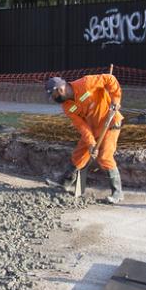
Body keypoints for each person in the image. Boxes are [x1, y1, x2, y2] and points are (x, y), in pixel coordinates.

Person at [45, 74, 125, 204]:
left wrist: (115, 100)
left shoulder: (86, 83)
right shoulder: (67, 106)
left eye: (53, 96)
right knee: (79, 155)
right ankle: (64, 184)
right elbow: (81, 125)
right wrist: (91, 143)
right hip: (92, 129)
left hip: (110, 123)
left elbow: (110, 79)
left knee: (105, 157)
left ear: (60, 90)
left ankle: (117, 192)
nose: (53, 99)